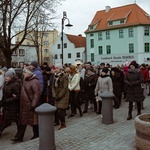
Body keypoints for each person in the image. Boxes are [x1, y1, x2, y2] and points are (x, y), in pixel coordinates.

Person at [11, 66, 41, 142]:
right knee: (23, 121)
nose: (23, 74)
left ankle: (36, 135)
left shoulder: (35, 81)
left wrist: (33, 105)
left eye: (24, 72)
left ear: (28, 73)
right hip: (24, 104)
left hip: (30, 105)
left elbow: (37, 94)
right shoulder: (25, 80)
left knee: (34, 121)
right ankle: (19, 137)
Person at [0, 70, 20, 137]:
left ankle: (19, 134)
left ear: (11, 77)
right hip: (6, 105)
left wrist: (8, 100)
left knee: (16, 119)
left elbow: (17, 96)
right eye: (5, 76)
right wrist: (2, 103)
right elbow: (4, 94)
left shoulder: (15, 84)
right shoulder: (6, 84)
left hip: (13, 106)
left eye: (7, 77)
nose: (5, 78)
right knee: (4, 119)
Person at [52, 64, 69, 129]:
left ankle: (63, 124)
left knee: (60, 110)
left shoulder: (64, 76)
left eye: (57, 68)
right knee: (57, 110)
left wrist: (59, 96)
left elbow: (65, 88)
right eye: (55, 68)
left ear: (60, 69)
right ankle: (59, 122)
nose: (55, 69)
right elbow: (53, 86)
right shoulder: (54, 76)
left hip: (63, 95)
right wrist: (54, 95)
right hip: (56, 95)